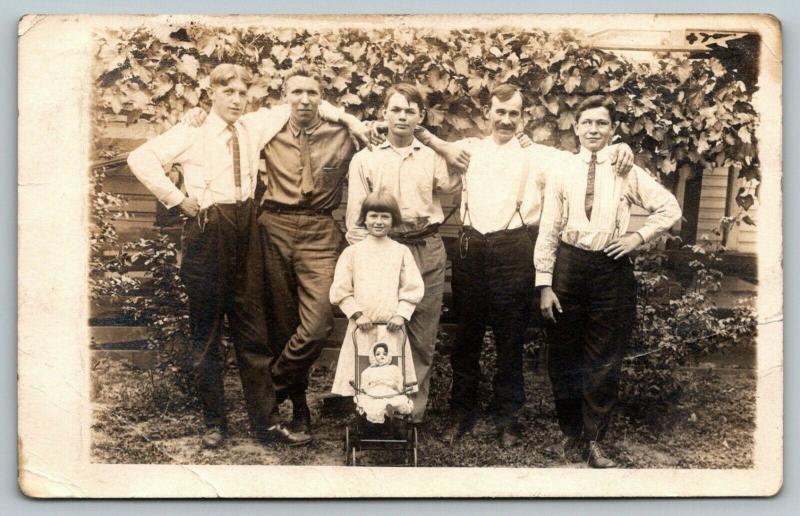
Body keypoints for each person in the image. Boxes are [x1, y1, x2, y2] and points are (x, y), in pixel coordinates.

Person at [419, 84, 634, 448]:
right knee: (466, 338)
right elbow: (429, 140)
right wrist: (428, 135)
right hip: (470, 248)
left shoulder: (541, 156)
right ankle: (462, 412)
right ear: (488, 113)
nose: (505, 120)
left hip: (514, 249)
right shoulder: (470, 148)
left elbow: (588, 154)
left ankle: (508, 418)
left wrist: (620, 146)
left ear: (523, 117)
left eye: (513, 113)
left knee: (509, 340)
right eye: (499, 112)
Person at [126, 64, 316, 448]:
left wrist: (350, 120)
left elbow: (302, 104)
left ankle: (265, 424)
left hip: (247, 228)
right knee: (207, 334)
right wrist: (178, 200)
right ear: (211, 93)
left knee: (253, 332)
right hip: (208, 230)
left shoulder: (253, 126)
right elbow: (140, 159)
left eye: (242, 92)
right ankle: (215, 423)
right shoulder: (192, 130)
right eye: (228, 91)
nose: (236, 98)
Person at [534, 95, 681, 467]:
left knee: (604, 358)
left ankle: (595, 440)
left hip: (610, 269)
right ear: (576, 128)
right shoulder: (561, 170)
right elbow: (549, 228)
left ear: (612, 129)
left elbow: (669, 208)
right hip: (569, 265)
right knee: (564, 354)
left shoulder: (625, 169)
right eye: (587, 123)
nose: (593, 129)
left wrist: (636, 238)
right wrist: (545, 283)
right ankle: (571, 435)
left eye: (602, 123)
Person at [345, 83, 459, 424]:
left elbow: (461, 175)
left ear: (420, 117)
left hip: (425, 247)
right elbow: (355, 220)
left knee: (422, 335)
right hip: (382, 251)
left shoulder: (434, 158)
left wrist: (435, 142)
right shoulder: (365, 159)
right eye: (395, 109)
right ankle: (374, 407)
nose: (402, 116)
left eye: (410, 111)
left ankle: (411, 414)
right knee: (379, 331)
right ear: (384, 114)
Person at [329, 190, 425, 408]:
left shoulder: (400, 252)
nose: (379, 222)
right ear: (364, 218)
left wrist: (401, 314)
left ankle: (391, 418)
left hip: (391, 328)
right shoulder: (353, 253)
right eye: (373, 216)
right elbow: (340, 290)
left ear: (393, 221)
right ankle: (364, 416)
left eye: (385, 217)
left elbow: (413, 287)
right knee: (361, 374)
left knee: (391, 375)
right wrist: (357, 314)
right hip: (362, 327)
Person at [356, 342, 415, 424]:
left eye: (384, 354)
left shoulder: (393, 368)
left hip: (389, 390)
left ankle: (390, 412)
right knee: (372, 403)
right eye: (378, 354)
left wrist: (396, 386)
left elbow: (399, 382)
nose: (382, 356)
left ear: (388, 355)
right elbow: (364, 385)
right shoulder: (369, 370)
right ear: (373, 356)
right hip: (374, 392)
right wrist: (364, 392)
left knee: (397, 400)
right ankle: (385, 414)